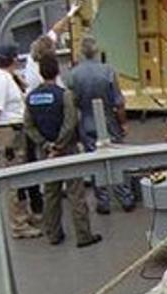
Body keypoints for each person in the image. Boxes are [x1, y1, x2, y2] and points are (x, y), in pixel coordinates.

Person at [24, 56, 101, 248]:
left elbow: (29, 126)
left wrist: (46, 145)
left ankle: (53, 233)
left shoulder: (31, 98)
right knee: (76, 192)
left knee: (51, 194)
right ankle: (83, 235)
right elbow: (70, 121)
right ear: (57, 72)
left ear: (40, 73)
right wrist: (60, 144)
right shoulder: (64, 95)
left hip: (46, 153)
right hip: (67, 150)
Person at [68, 35, 135, 214]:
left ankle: (103, 201)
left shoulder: (74, 75)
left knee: (94, 163)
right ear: (97, 51)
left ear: (81, 52)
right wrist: (123, 123)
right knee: (118, 159)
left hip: (87, 123)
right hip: (109, 120)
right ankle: (125, 196)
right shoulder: (108, 71)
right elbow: (118, 102)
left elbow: (71, 105)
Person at [0, 43, 42, 239]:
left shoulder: (5, 76)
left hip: (18, 131)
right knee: (14, 180)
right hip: (10, 133)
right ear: (13, 59)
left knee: (22, 174)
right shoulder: (1, 80)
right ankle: (18, 224)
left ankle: (25, 216)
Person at [23, 14, 70, 91]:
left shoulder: (40, 48)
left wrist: (70, 14)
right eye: (53, 48)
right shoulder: (36, 71)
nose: (55, 50)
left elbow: (56, 29)